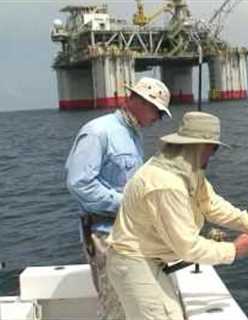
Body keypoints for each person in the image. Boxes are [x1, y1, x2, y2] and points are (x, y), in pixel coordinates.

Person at [106, 111, 248, 320]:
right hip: (134, 263)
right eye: (214, 148)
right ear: (199, 146)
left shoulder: (187, 169)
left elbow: (211, 204)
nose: (213, 154)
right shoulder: (166, 183)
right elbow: (187, 247)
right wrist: (233, 250)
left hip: (151, 261)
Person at [65, 77, 171, 320]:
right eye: (157, 111)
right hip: (104, 234)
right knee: (116, 306)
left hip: (128, 233)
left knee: (132, 304)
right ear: (138, 101)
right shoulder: (98, 131)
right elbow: (79, 183)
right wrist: (127, 204)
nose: (159, 119)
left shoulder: (133, 135)